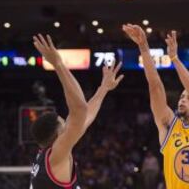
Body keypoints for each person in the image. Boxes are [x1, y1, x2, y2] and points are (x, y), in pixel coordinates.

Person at [123, 24, 189, 189]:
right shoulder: (169, 124)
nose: (182, 100)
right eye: (182, 97)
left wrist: (175, 59)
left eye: (188, 98)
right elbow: (155, 86)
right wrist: (144, 47)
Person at [29, 34, 124, 189]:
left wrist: (103, 88)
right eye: (63, 122)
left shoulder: (46, 156)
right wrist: (58, 64)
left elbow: (84, 117)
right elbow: (80, 109)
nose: (67, 123)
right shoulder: (57, 154)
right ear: (57, 134)